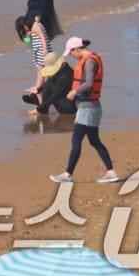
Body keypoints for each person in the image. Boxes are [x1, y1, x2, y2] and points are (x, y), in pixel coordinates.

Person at [51, 38, 120, 183]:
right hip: (92, 107)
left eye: (71, 52)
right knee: (94, 141)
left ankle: (67, 174)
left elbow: (88, 83)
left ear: (77, 49)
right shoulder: (89, 59)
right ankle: (111, 172)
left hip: (88, 108)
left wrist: (74, 93)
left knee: (76, 140)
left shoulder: (89, 61)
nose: (71, 56)